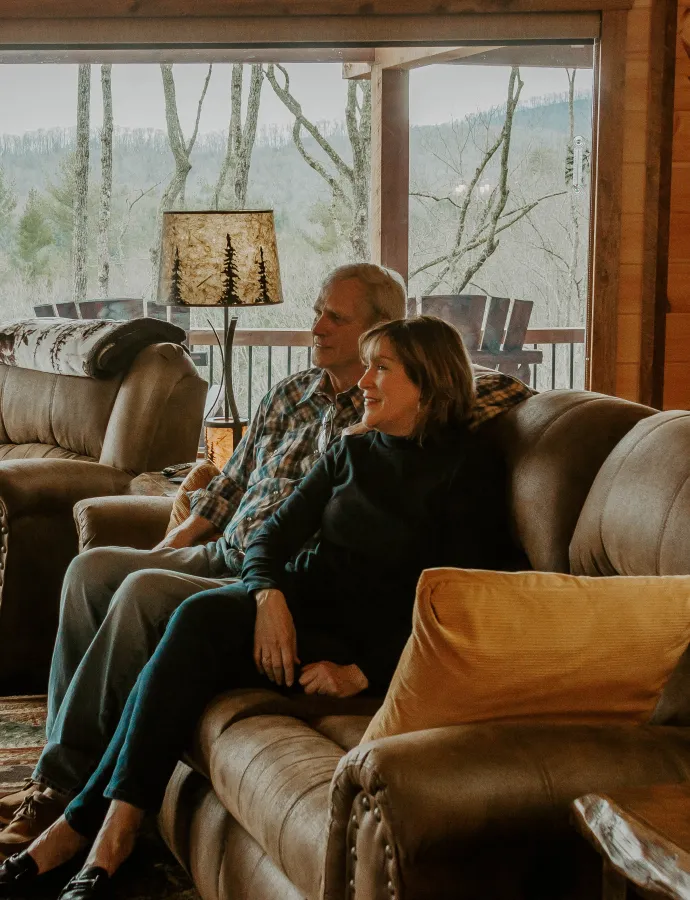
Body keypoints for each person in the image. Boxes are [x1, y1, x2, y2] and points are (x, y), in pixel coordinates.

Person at [0, 268, 532, 855]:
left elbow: (493, 396)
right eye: (318, 311)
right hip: (232, 549)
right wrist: (172, 543)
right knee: (93, 569)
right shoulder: (290, 393)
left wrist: (429, 382)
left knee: (143, 593)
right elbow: (230, 485)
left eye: (336, 318)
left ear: (382, 334)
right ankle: (54, 774)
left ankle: (70, 790)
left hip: (284, 571)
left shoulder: (384, 422)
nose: (316, 327)